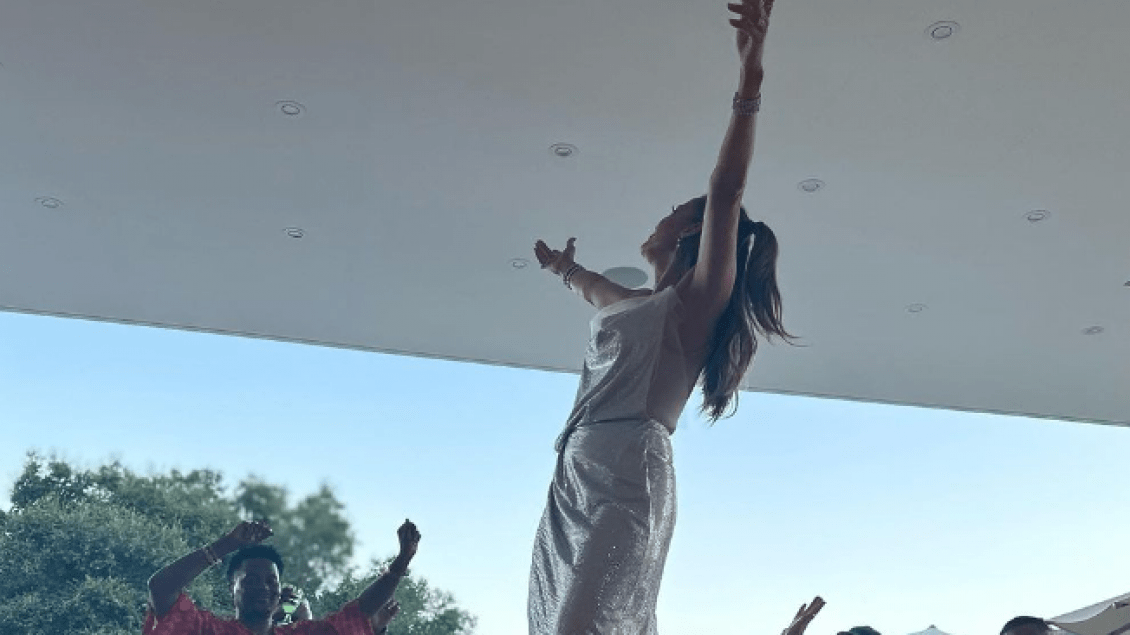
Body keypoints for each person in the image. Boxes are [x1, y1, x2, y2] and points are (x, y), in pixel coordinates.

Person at [528, 0, 791, 632]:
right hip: (574, 471)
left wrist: (750, 79)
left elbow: (726, 190)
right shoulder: (634, 304)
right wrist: (562, 269)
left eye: (676, 209)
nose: (662, 215)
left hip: (627, 470)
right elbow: (591, 288)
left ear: (694, 231)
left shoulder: (697, 302)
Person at [145, 519, 420, 635]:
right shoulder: (208, 630)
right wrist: (226, 545)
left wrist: (401, 562)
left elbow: (358, 613)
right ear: (232, 588)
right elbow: (160, 588)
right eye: (250, 580)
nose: (263, 588)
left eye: (271, 582)